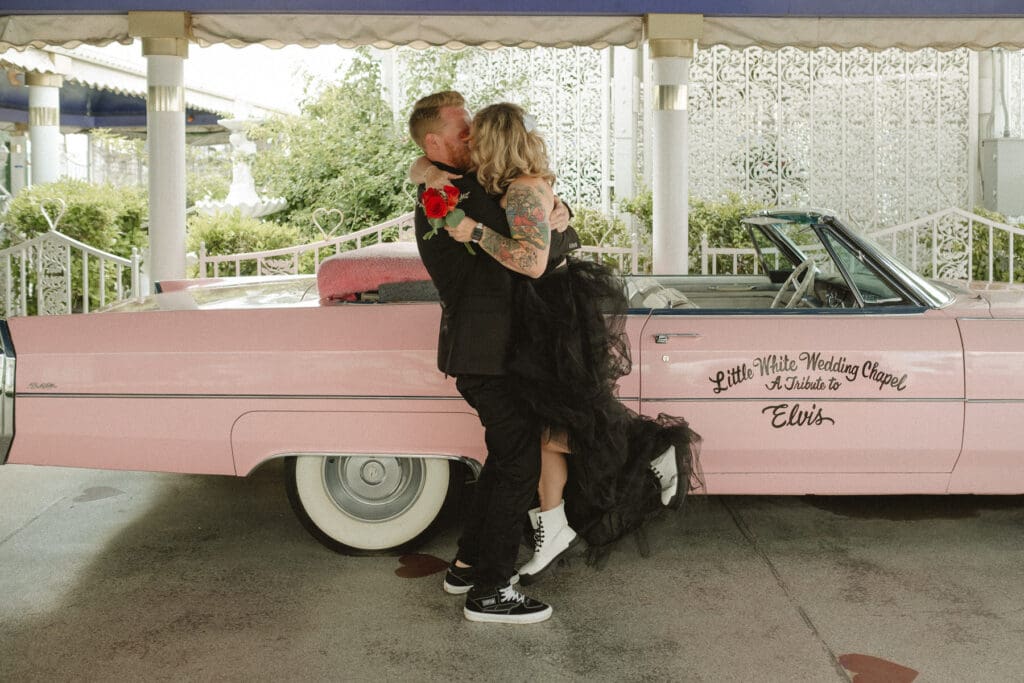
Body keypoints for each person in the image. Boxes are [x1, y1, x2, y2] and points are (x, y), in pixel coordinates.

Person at [438, 102, 700, 583]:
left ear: (496, 141)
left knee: (570, 415)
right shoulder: (519, 187)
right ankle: (553, 521)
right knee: (547, 426)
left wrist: (474, 231)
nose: (470, 143)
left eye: (477, 136)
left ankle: (652, 448)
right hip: (545, 311)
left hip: (553, 312)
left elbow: (532, 262)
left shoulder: (521, 191)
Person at [407, 91, 572, 624]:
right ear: (435, 144)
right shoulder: (448, 196)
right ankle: (490, 591)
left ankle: (468, 565)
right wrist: (547, 212)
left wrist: (556, 212)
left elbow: (532, 234)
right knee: (518, 463)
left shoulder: (471, 186)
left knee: (505, 461)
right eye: (463, 133)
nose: (473, 139)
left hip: (497, 353)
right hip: (485, 355)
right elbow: (529, 258)